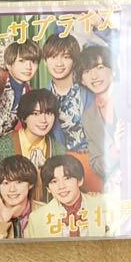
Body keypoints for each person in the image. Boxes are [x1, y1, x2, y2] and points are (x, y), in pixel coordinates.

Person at [40, 34, 98, 189]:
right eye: (53, 57)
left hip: (92, 163)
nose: (59, 63)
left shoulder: (89, 90)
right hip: (61, 170)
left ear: (74, 60)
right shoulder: (42, 98)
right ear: (45, 61)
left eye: (65, 57)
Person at [0, 90, 64, 200]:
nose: (43, 120)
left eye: (49, 113)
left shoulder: (58, 150)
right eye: (36, 114)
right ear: (24, 117)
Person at [27, 154, 112, 238]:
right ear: (48, 188)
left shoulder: (105, 206)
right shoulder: (37, 218)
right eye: (54, 181)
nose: (61, 186)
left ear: (80, 180)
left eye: (67, 178)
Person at [76, 46, 121, 185]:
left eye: (100, 67)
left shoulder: (130, 97)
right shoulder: (88, 117)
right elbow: (96, 165)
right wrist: (115, 149)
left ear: (113, 70)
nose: (94, 76)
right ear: (82, 80)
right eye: (87, 71)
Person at [0, 40, 41, 140]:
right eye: (22, 61)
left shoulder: (31, 94)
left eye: (33, 62)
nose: (29, 67)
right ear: (9, 64)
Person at [0, 156, 43, 239]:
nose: (12, 189)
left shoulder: (45, 211)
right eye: (6, 183)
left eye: (19, 182)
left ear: (30, 184)